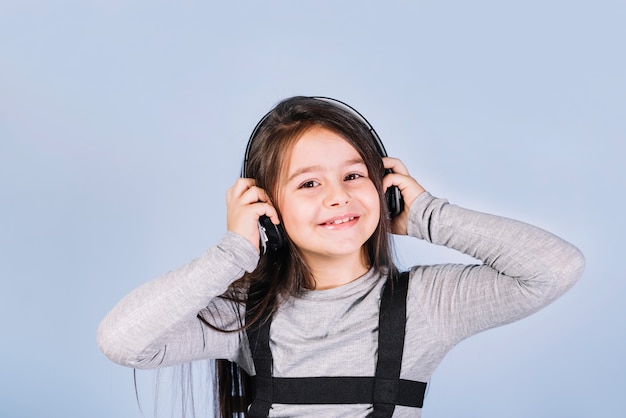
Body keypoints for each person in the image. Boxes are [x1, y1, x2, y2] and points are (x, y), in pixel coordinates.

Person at [97, 96, 585, 417]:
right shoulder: (247, 313)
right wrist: (234, 251)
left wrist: (429, 215)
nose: (337, 196)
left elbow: (554, 268)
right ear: (267, 207)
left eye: (354, 176)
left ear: (383, 187)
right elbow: (123, 342)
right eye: (309, 183)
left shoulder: (428, 304)